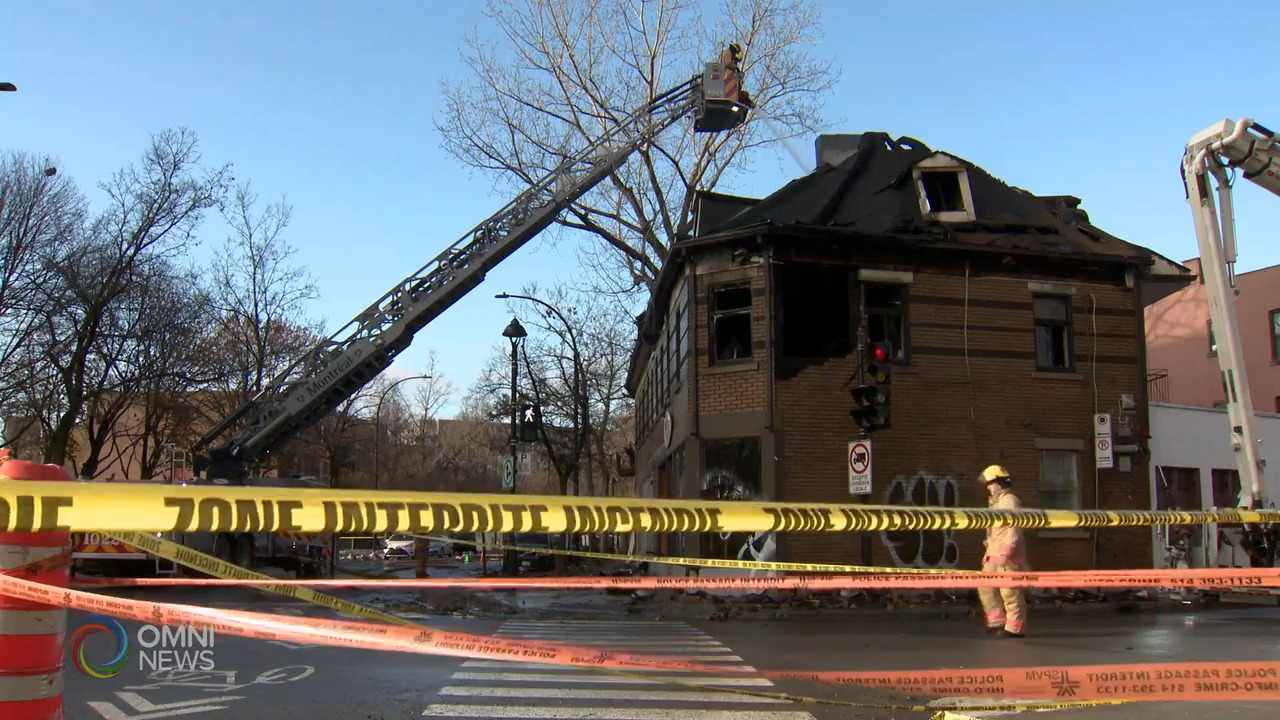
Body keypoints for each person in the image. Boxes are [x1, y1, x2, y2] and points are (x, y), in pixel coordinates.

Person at [977, 464, 1027, 638]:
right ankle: (996, 621)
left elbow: (1014, 529)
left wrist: (1007, 552)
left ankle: (1014, 627)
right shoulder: (996, 503)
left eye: (990, 484)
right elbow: (992, 531)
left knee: (1010, 592)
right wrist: (988, 553)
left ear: (999, 483)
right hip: (993, 553)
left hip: (1007, 556)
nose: (988, 488)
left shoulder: (1009, 501)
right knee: (985, 586)